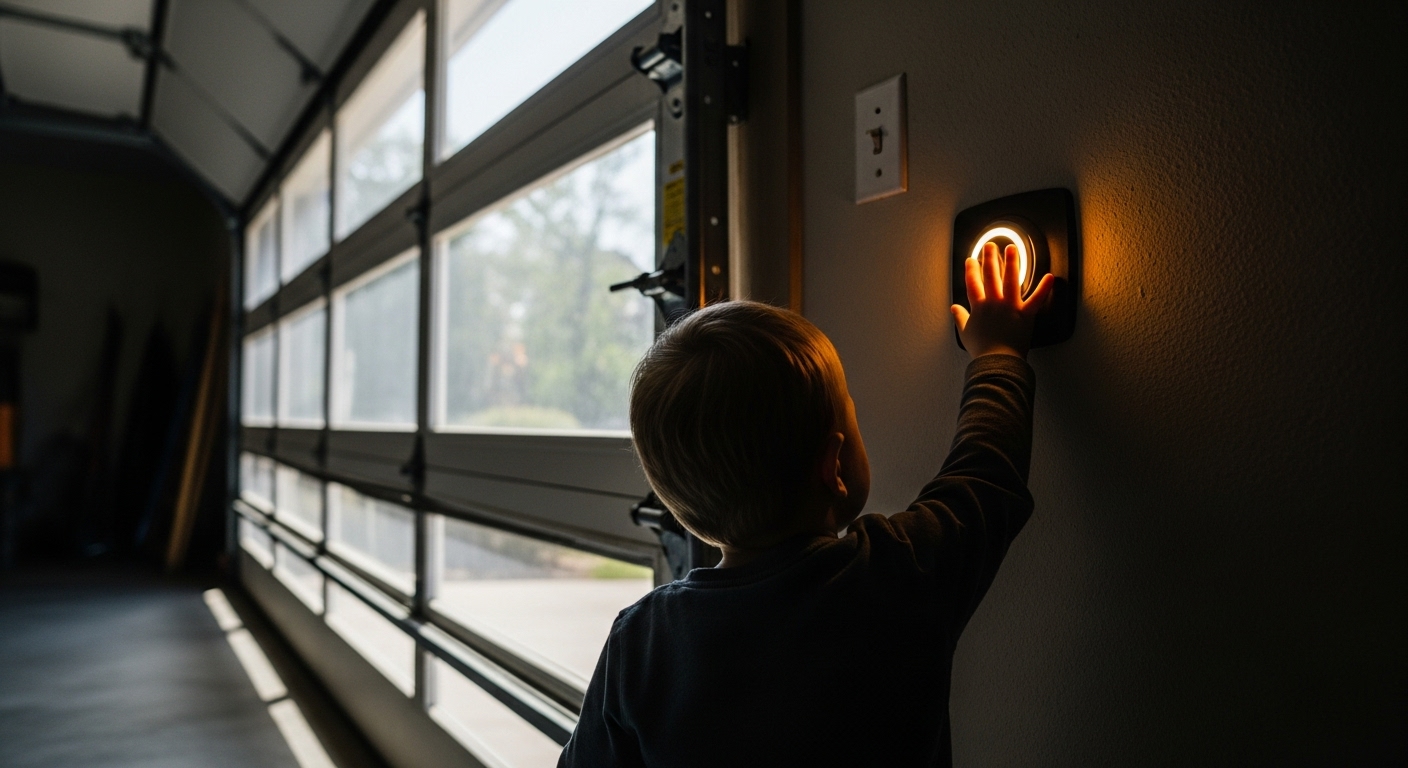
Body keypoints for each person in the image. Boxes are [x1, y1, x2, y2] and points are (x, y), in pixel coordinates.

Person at [559, 243, 1055, 767]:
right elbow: (985, 474)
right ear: (833, 467)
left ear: (679, 502)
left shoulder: (642, 642)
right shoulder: (896, 575)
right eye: (851, 414)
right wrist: (998, 352)